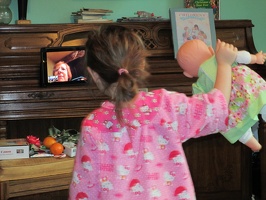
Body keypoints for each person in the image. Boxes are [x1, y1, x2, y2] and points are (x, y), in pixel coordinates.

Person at [69, 25, 237, 200]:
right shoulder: (166, 105)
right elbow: (217, 108)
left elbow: (83, 193)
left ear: (93, 74)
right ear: (141, 64)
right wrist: (224, 65)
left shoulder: (93, 125)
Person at [177, 39, 266, 152]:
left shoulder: (198, 86)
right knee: (262, 98)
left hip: (230, 106)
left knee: (232, 124)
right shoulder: (219, 56)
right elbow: (241, 56)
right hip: (247, 89)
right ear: (210, 50)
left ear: (187, 74)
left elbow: (204, 107)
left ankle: (252, 143)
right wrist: (256, 58)